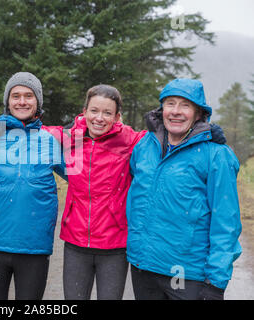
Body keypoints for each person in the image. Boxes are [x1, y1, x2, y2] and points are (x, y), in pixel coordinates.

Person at [126, 78, 242, 300]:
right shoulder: (144, 146)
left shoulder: (216, 155)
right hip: (143, 266)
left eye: (185, 105)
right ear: (161, 110)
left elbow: (226, 222)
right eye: (170, 103)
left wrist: (216, 282)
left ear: (199, 114)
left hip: (186, 273)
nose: (176, 111)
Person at [0, 72, 67, 300]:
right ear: (7, 101)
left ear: (38, 102)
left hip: (34, 245)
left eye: (29, 95)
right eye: (16, 96)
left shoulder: (49, 141)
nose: (22, 101)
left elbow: (86, 175)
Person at [58, 85, 146, 300]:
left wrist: (202, 132)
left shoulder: (130, 141)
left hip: (114, 245)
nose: (99, 118)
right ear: (84, 111)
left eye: (107, 113)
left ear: (117, 117)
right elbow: (35, 135)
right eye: (94, 111)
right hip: (76, 242)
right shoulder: (71, 138)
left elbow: (165, 141)